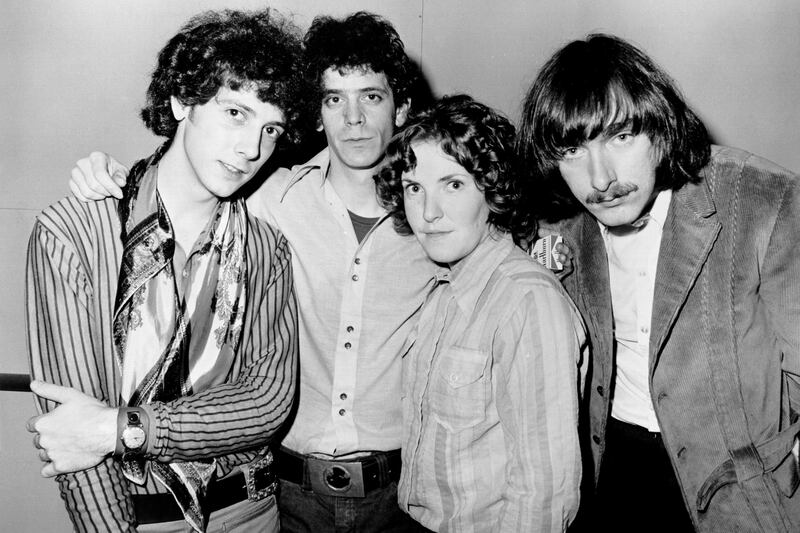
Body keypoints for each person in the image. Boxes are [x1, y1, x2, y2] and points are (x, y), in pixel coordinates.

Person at [67, 11, 435, 533]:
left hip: (401, 496)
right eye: (334, 99)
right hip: (287, 494)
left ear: (403, 108)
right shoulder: (269, 194)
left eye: (371, 96)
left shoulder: (438, 218)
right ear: (316, 114)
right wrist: (110, 176)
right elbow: (188, 174)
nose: (353, 119)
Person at [25, 9, 303, 532]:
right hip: (140, 521)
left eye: (271, 129)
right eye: (235, 113)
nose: (251, 149)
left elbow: (266, 402)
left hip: (253, 511)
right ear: (181, 101)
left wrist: (124, 430)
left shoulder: (267, 248)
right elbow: (72, 433)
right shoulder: (76, 233)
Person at [517, 33, 800, 532]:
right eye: (573, 150)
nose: (600, 179)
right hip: (612, 468)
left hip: (738, 483)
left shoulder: (764, 200)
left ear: (659, 127)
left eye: (621, 137)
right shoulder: (558, 222)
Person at [374, 94, 587, 532]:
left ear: (493, 189)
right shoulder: (442, 290)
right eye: (414, 188)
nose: (428, 213)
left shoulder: (526, 300)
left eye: (453, 185)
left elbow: (544, 496)